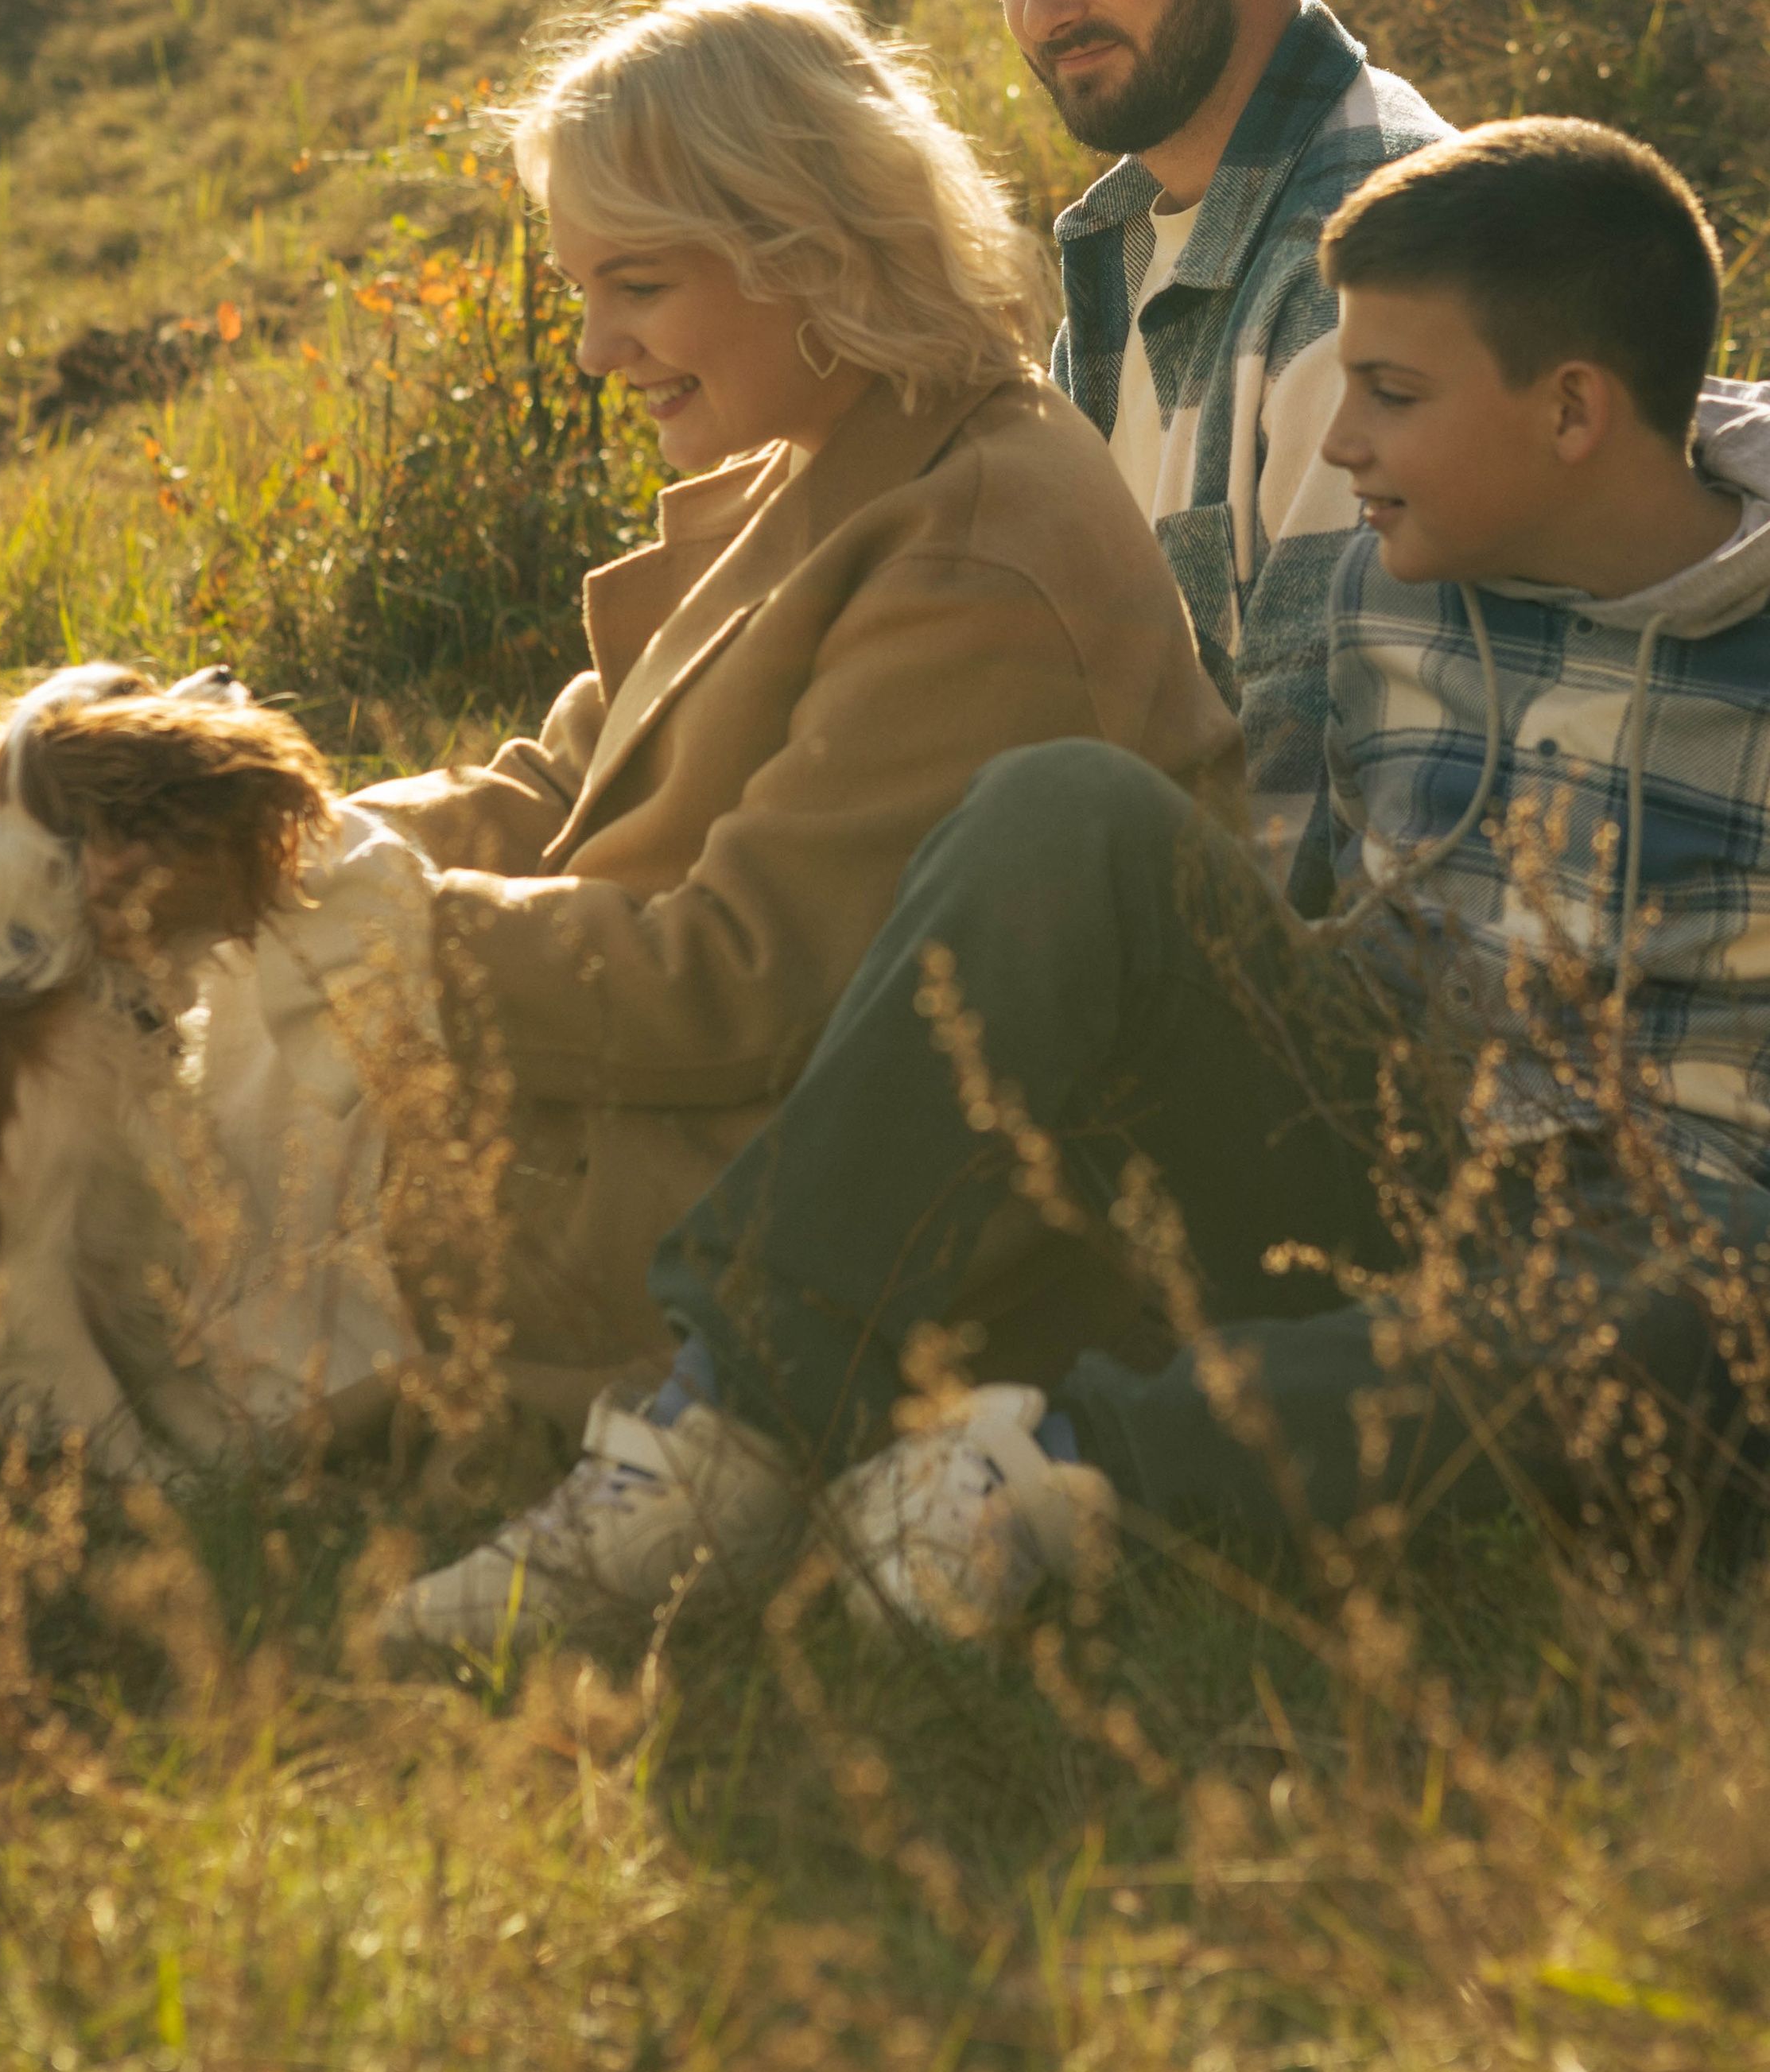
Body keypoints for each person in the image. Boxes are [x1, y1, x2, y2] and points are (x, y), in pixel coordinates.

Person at [0, 0, 1239, 1432]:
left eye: (637, 287)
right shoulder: (834, 457)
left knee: (55, 1104)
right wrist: (268, 846)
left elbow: (748, 986)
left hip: (667, 1185)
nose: (594, 350)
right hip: (592, 1101)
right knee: (15, 957)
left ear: (809, 244)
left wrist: (362, 918)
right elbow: (555, 787)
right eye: (585, 291)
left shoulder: (971, 552)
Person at [390, 116, 1770, 1656]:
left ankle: (1051, 1472)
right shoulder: (1408, 562)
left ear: (1573, 410)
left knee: (1683, 1316)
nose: (1336, 446)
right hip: (1377, 1153)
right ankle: (722, 1433)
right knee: (1069, 812)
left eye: (1386, 395)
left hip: (1661, 1240)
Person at [964, 0, 1448, 902]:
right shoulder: (1126, 235)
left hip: (1282, 1007)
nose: (1042, 12)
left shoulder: (1361, 270)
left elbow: (1311, 836)